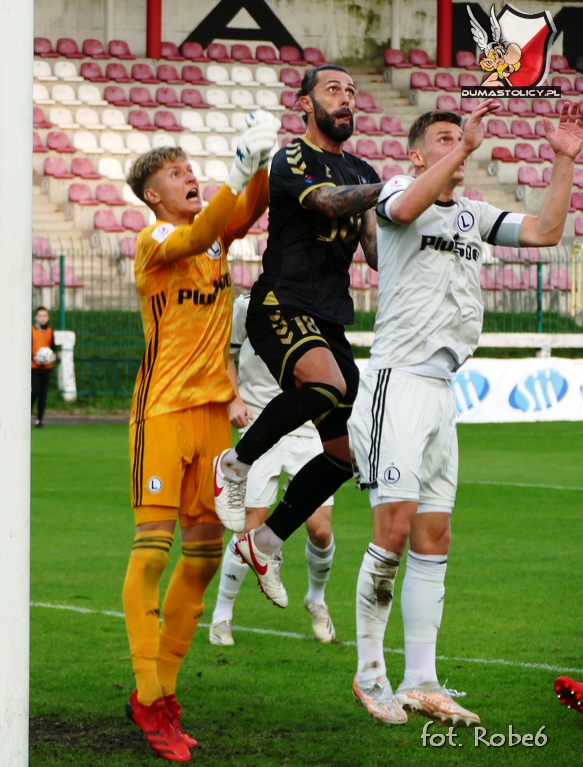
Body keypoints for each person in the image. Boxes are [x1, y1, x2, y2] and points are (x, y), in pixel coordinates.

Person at [346, 100, 583, 726]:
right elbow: (401, 210)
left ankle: (421, 679)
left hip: (441, 392)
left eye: (462, 134)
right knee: (393, 529)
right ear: (419, 154)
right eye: (444, 138)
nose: (460, 143)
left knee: (434, 536)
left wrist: (563, 160)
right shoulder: (399, 191)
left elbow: (544, 233)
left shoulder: (474, 215)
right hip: (394, 384)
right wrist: (466, 148)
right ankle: (370, 674)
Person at [121, 112, 277, 763]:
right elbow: (215, 224)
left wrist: (272, 161)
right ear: (153, 194)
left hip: (213, 417)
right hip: (161, 415)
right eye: (176, 173)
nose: (189, 176)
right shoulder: (155, 238)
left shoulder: (211, 241)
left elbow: (239, 217)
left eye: (192, 170)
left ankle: (167, 696)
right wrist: (239, 170)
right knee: (153, 553)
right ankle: (147, 694)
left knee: (205, 556)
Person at [213, 65, 382, 610]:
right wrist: (389, 190)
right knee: (329, 385)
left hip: (329, 319)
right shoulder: (290, 159)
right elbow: (329, 204)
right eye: (334, 89)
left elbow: (378, 255)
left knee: (344, 452)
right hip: (280, 304)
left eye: (351, 91)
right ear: (304, 104)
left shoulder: (361, 167)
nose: (346, 98)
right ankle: (235, 464)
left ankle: (264, 543)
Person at [209, 293, 336, 647]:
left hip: (308, 427)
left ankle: (316, 599)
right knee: (249, 527)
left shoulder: (320, 301)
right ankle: (221, 617)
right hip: (259, 424)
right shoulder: (246, 306)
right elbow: (224, 353)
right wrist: (232, 398)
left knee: (320, 530)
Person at [30, 306, 56, 428]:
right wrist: (34, 358)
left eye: (45, 316)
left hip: (46, 367)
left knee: (43, 393)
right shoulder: (31, 331)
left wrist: (52, 356)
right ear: (36, 317)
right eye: (40, 316)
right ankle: (26, 413)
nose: (42, 318)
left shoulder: (50, 331)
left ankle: (39, 419)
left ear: (48, 318)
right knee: (34, 391)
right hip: (34, 366)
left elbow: (53, 348)